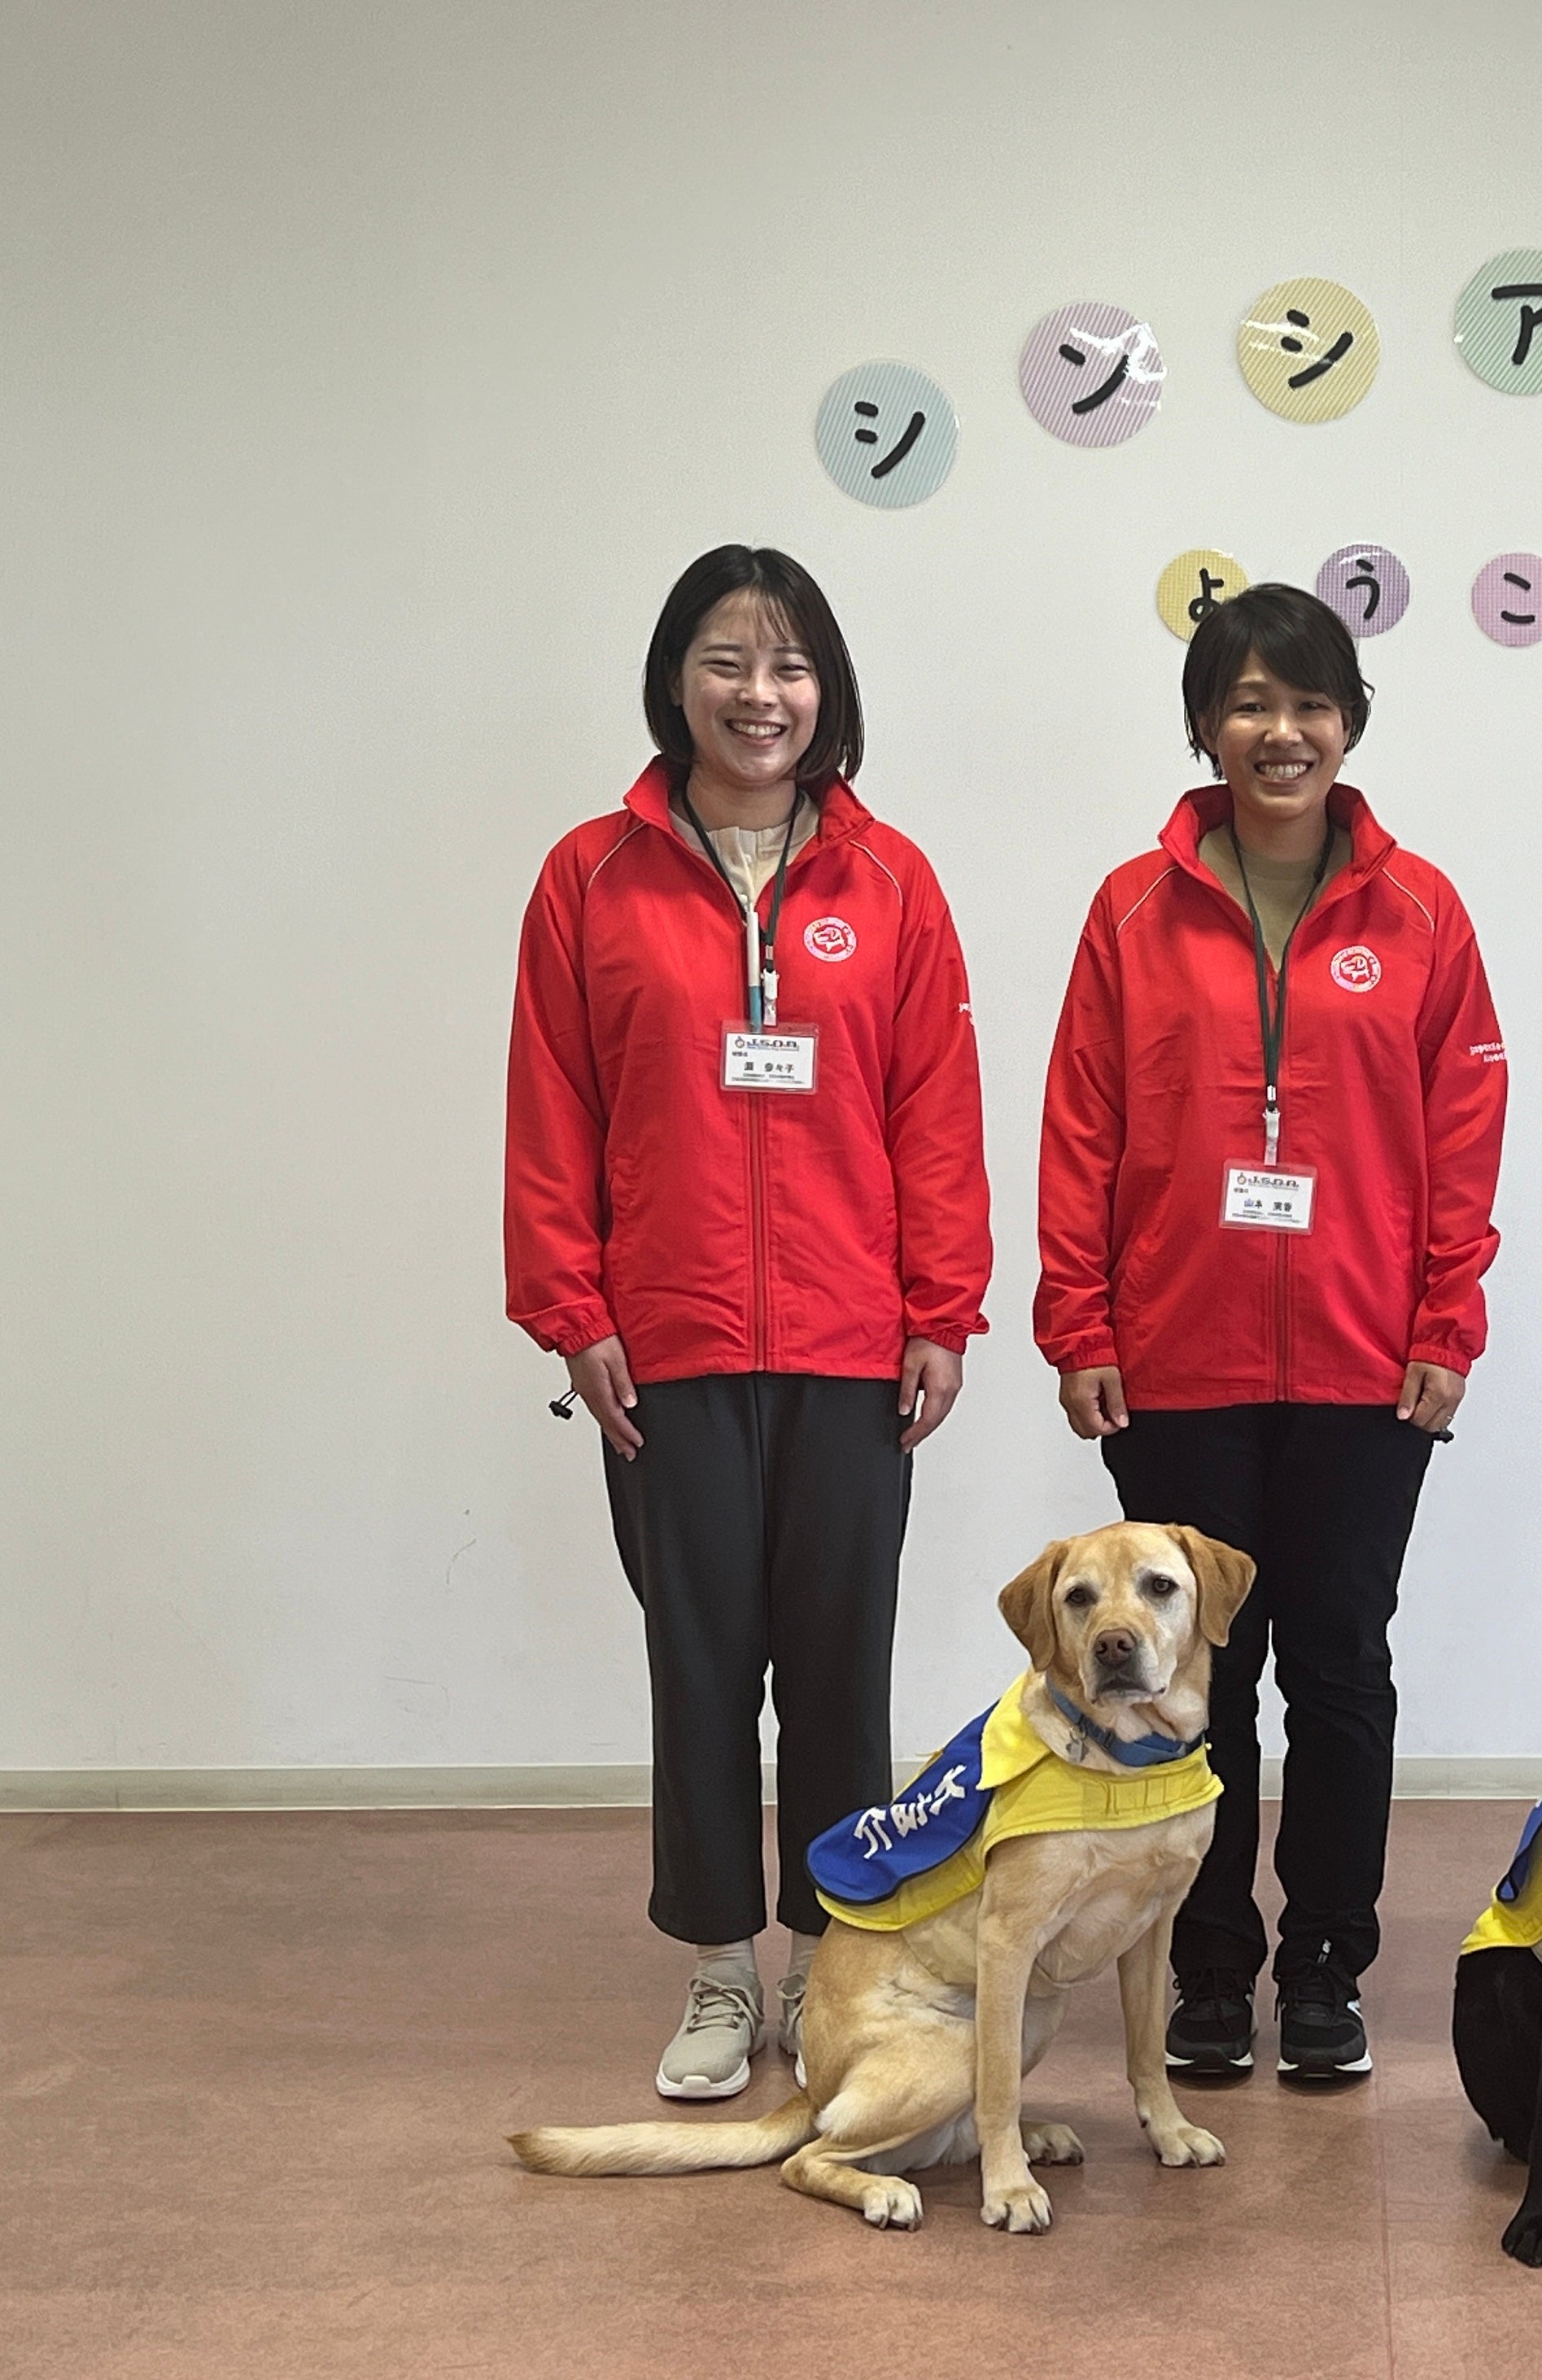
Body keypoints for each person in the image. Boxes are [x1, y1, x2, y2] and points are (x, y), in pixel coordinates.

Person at [505, 545, 989, 2099]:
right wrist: (572, 1310)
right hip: (670, 1346)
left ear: (826, 691)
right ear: (674, 681)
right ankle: (721, 1971)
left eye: (788, 667)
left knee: (843, 1666)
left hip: (854, 1346)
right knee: (701, 1662)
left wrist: (942, 1308)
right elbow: (551, 1106)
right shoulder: (592, 875)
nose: (759, 694)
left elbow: (936, 1109)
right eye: (727, 661)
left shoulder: (894, 880)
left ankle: (841, 1959)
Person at [1035, 582, 1508, 2086]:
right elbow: (1080, 1125)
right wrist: (1078, 1316)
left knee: (1343, 1667)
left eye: (1308, 704)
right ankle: (1211, 1967)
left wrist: (1449, 1317)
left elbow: (1464, 1130)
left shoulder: (1424, 912)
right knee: (1197, 1680)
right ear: (1203, 728)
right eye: (1247, 703)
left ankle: (1327, 1965)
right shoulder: (1131, 908)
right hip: (1181, 1353)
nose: (1279, 731)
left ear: (1350, 726)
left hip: (1370, 1363)